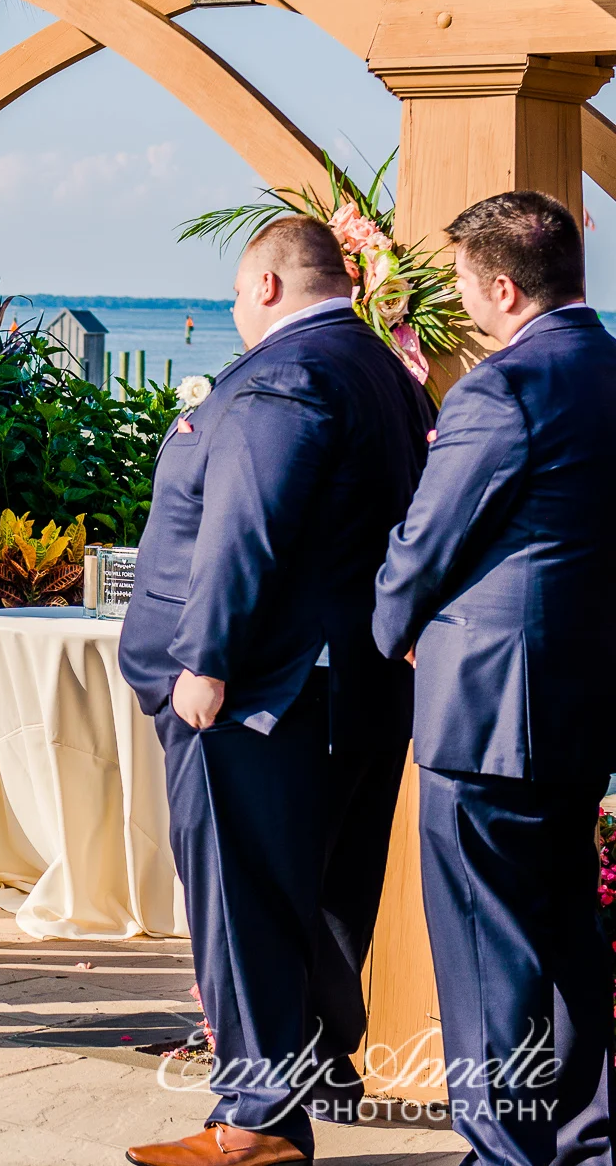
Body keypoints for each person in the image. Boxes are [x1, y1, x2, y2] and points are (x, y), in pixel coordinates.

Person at [118, 216, 431, 1166]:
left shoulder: (282, 375)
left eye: (233, 294)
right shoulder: (383, 368)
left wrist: (205, 660)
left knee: (245, 901)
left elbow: (245, 527)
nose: (232, 312)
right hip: (353, 686)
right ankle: (314, 1072)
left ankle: (255, 1119)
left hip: (266, 692)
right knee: (325, 897)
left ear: (264, 285)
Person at [373, 191, 616, 1166]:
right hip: (580, 700)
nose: (466, 307)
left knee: (484, 954)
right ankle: (585, 1140)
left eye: (469, 289)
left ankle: (503, 1154)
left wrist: (391, 626)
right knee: (561, 934)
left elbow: (424, 542)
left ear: (503, 287)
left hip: (484, 710)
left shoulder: (499, 390)